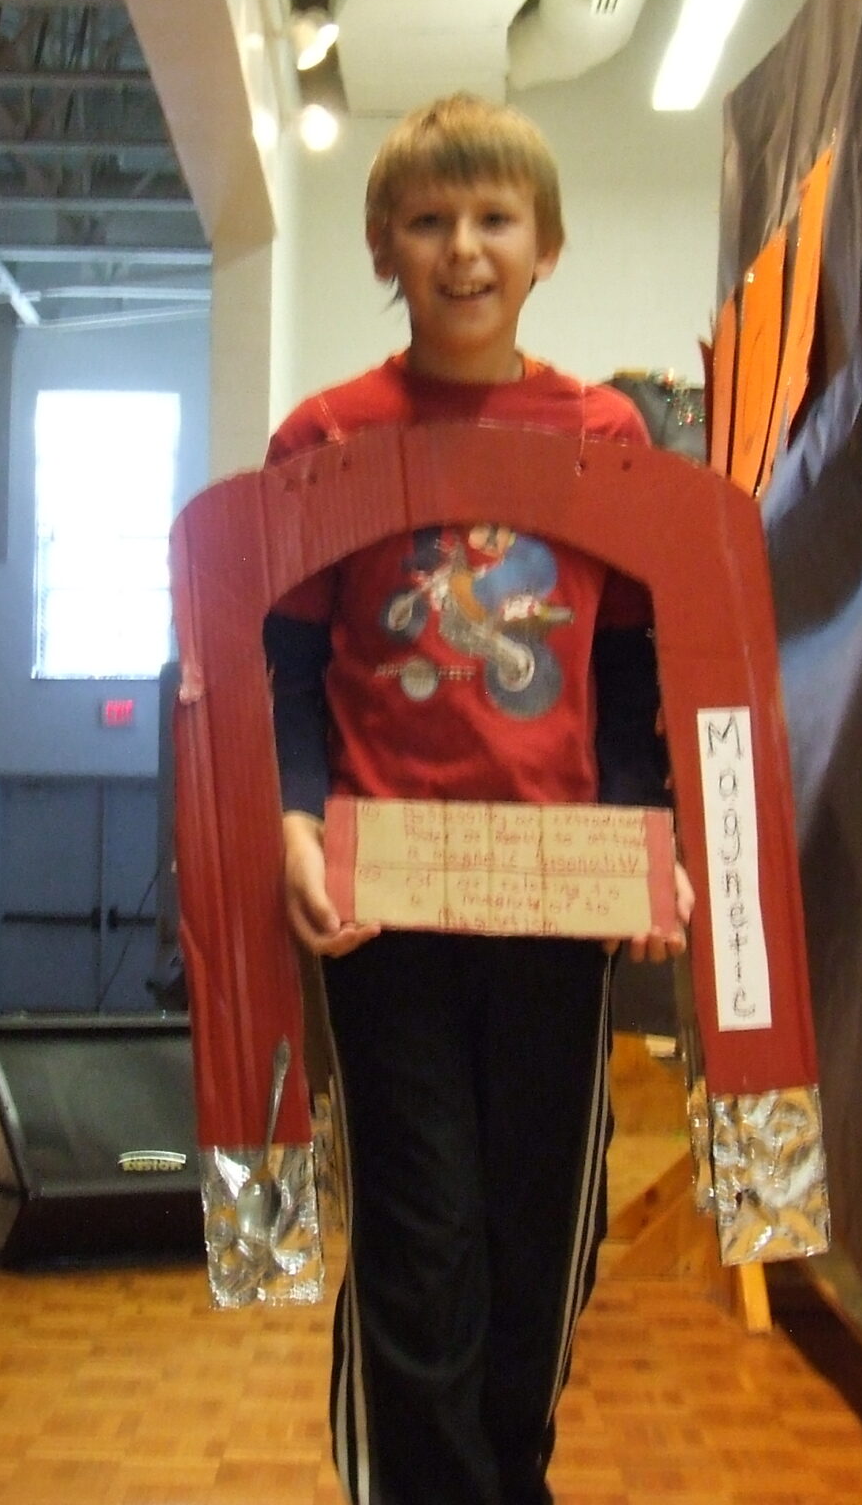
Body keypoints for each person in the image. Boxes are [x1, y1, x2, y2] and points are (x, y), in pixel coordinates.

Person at [260, 93, 695, 1505]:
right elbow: (284, 660)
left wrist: (648, 832)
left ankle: (510, 1479)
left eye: (495, 218)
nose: (463, 249)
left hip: (556, 904)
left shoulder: (603, 432)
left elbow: (629, 668)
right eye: (429, 221)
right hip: (383, 909)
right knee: (421, 1233)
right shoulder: (327, 436)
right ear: (383, 246)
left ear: (545, 246)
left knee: (540, 1238)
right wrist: (294, 817)